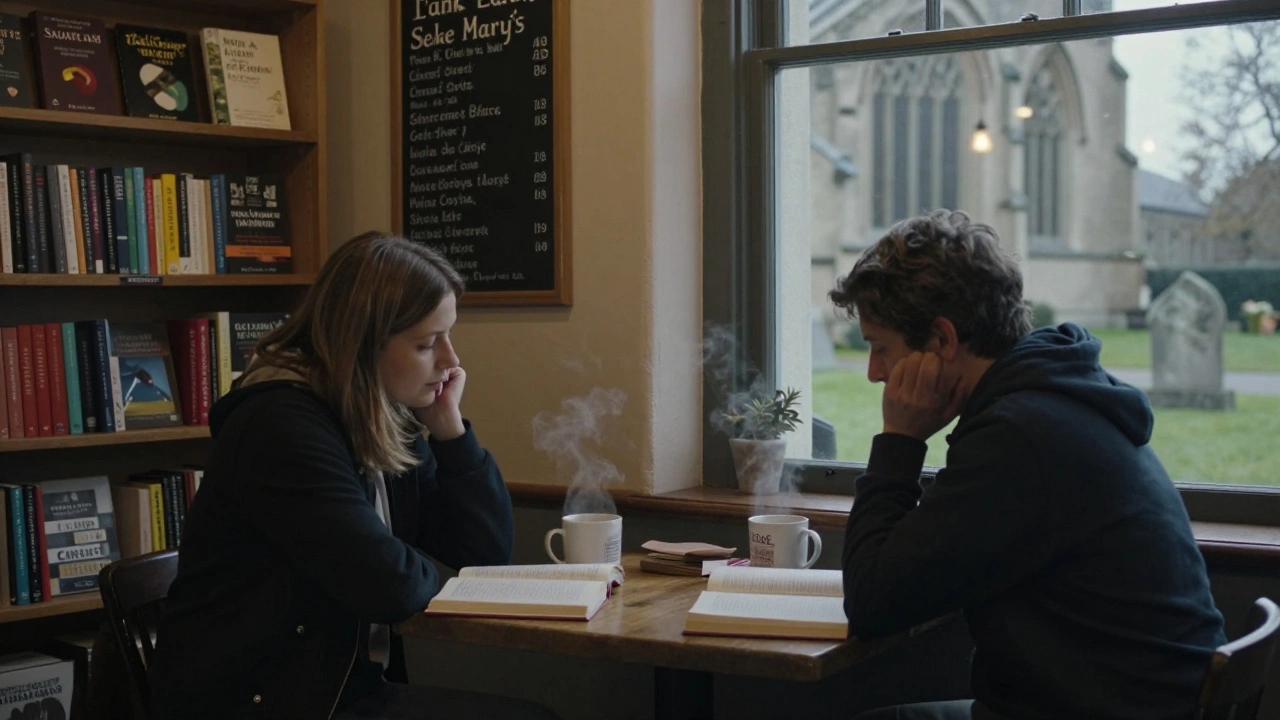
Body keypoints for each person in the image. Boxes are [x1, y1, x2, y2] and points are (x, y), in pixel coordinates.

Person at [832, 210, 1224, 720]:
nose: (873, 373)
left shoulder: (1020, 436)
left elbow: (872, 604)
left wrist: (899, 441)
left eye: (880, 348)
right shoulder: (1053, 399)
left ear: (942, 340)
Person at [151, 232, 557, 720]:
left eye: (448, 337)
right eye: (427, 343)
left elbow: (485, 555)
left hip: (338, 686)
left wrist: (449, 431)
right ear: (362, 345)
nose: (451, 361)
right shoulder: (281, 426)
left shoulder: (382, 413)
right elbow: (385, 584)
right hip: (260, 699)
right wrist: (417, 572)